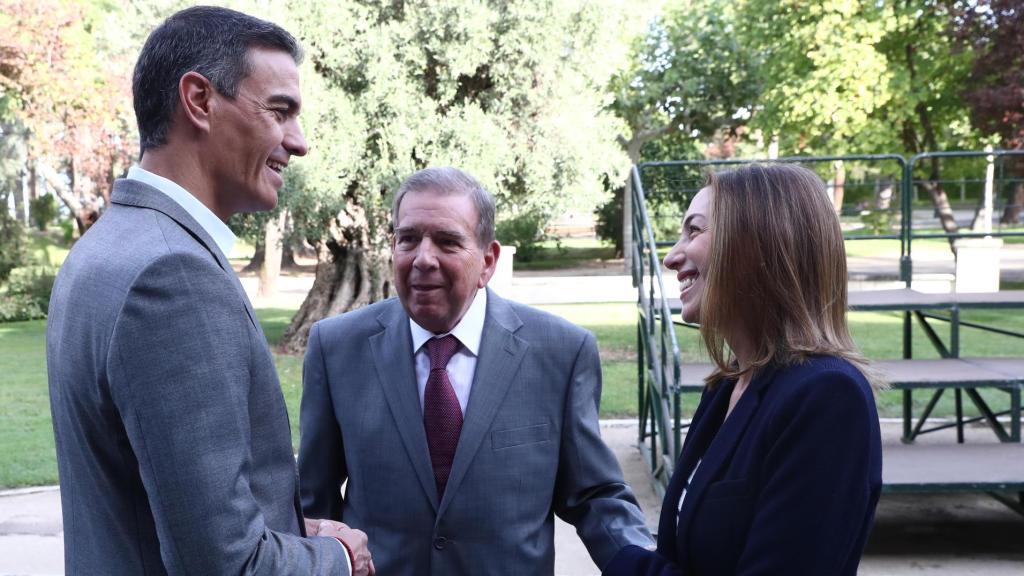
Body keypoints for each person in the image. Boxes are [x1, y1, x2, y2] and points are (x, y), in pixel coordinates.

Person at [46, 7, 371, 575]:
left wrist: (293, 529)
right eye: (279, 111)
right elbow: (225, 564)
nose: (298, 142)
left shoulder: (103, 248)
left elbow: (154, 510)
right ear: (198, 100)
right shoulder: (174, 277)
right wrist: (338, 557)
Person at [298, 166, 654, 575]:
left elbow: (593, 496)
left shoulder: (561, 351)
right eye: (408, 239)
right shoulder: (336, 348)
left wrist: (644, 566)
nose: (423, 259)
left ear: (488, 261)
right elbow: (313, 502)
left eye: (447, 242)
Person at [603, 164, 883, 575]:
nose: (671, 257)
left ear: (758, 244)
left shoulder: (827, 398)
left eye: (694, 231)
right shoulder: (729, 386)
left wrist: (626, 562)